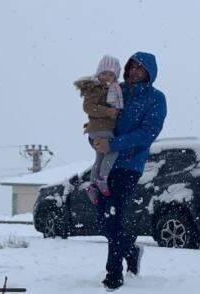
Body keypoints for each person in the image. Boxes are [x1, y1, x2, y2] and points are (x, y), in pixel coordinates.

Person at [93, 52, 167, 291]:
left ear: (150, 73)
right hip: (105, 162)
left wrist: (114, 144)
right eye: (131, 67)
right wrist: (95, 135)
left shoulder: (156, 99)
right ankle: (130, 249)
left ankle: (113, 274)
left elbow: (148, 133)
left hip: (129, 165)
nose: (134, 71)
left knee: (114, 216)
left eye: (140, 68)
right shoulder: (116, 89)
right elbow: (101, 118)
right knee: (104, 221)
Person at [75, 55, 124, 204]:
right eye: (104, 73)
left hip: (101, 128)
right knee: (112, 151)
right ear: (98, 74)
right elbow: (88, 107)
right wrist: (108, 112)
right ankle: (103, 178)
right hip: (101, 128)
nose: (107, 77)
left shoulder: (112, 89)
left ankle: (92, 186)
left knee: (100, 157)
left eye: (111, 74)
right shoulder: (97, 88)